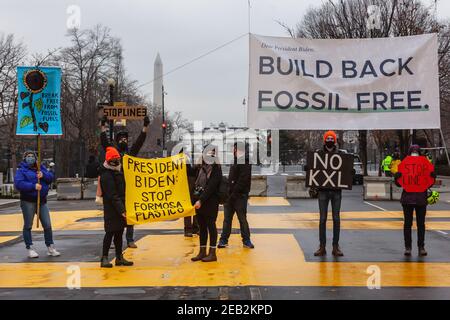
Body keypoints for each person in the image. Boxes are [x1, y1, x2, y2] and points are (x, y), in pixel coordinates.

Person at [100, 115, 150, 248]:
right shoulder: (113, 152)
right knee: (114, 215)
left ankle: (129, 239)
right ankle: (113, 240)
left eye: (125, 138)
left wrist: (145, 128)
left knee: (129, 214)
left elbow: (139, 143)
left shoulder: (130, 154)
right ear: (117, 140)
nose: (123, 140)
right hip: (114, 188)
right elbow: (104, 142)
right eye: (121, 138)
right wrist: (103, 127)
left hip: (128, 188)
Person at [14, 150, 60, 258]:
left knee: (47, 225)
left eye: (32, 156)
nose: (30, 158)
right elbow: (19, 183)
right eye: (28, 156)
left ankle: (50, 246)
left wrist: (43, 175)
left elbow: (50, 178)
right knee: (28, 225)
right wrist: (33, 186)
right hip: (28, 201)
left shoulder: (40, 167)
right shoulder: (21, 170)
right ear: (25, 158)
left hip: (42, 201)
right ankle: (29, 247)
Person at [394, 144, 436, 257]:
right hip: (407, 200)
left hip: (421, 199)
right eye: (413, 152)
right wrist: (397, 177)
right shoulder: (404, 165)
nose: (415, 154)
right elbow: (399, 184)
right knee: (407, 224)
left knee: (421, 224)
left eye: (416, 152)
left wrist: (432, 177)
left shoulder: (424, 165)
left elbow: (429, 183)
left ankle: (421, 247)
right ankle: (408, 247)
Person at [99, 147, 133, 268]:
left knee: (119, 232)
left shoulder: (117, 171)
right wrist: (122, 210)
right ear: (109, 161)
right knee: (110, 233)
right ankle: (104, 258)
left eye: (117, 159)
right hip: (112, 209)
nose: (117, 161)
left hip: (119, 206)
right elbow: (113, 195)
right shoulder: (106, 175)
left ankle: (119, 257)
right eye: (115, 159)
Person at [313, 131, 344, 257]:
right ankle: (322, 246)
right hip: (323, 191)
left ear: (335, 140)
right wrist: (309, 168)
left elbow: (345, 171)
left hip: (336, 191)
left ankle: (335, 246)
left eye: (332, 138)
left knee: (336, 219)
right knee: (322, 219)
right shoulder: (318, 154)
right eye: (328, 138)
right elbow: (314, 169)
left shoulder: (341, 155)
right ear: (324, 140)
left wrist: (350, 172)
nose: (330, 140)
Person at [218, 142, 254, 249]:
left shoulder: (245, 162)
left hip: (240, 196)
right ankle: (223, 240)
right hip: (230, 196)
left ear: (239, 150)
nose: (233, 151)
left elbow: (243, 180)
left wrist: (233, 193)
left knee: (242, 219)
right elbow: (232, 178)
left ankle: (246, 240)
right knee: (227, 220)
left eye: (234, 149)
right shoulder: (235, 160)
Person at [191, 146, 222, 262]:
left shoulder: (216, 169)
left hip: (210, 202)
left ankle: (212, 253)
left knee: (211, 227)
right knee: (202, 228)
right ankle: (202, 251)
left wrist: (201, 200)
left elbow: (211, 187)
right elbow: (189, 174)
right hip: (200, 202)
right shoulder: (200, 167)